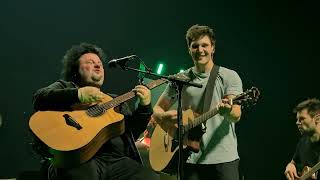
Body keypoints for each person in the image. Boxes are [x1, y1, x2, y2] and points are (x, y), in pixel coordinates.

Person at [32, 42, 159, 180]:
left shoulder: (114, 100)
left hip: (115, 160)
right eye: (90, 62)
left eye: (99, 63)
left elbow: (131, 133)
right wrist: (77, 94)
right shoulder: (65, 86)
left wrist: (144, 106)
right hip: (78, 159)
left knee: (150, 177)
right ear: (75, 70)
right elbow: (39, 98)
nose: (98, 65)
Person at [152, 24, 243, 180]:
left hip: (223, 159)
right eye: (195, 46)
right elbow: (158, 109)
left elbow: (236, 115)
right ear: (189, 50)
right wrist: (167, 118)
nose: (200, 50)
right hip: (189, 158)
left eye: (205, 45)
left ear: (213, 48)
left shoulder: (229, 76)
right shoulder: (180, 79)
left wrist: (227, 111)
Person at [284, 98, 320, 180]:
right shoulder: (303, 142)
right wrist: (290, 166)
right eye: (297, 119)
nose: (297, 123)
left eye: (302, 119)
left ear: (317, 118)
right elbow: (293, 162)